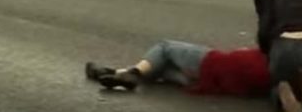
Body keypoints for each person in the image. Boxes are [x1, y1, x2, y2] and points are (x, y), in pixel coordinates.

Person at [86, 40, 270, 96]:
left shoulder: (279, 54)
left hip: (211, 65)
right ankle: (111, 73)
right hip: (216, 84)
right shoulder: (277, 78)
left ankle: (132, 73)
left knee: (165, 48)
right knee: (160, 68)